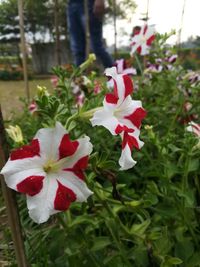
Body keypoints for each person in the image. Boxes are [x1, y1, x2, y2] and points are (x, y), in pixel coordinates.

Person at [67, 0, 113, 68]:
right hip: (72, 3)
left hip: (89, 3)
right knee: (77, 49)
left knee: (96, 46)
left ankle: (115, 73)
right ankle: (79, 77)